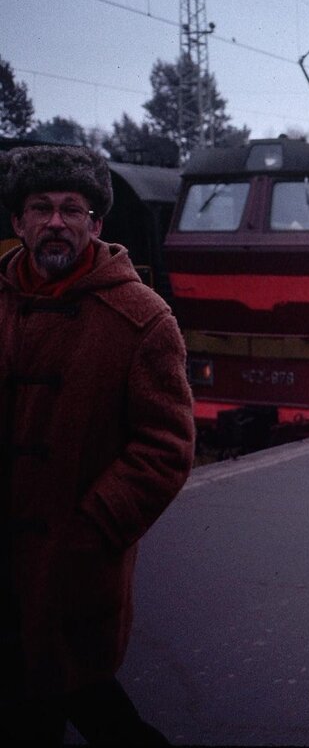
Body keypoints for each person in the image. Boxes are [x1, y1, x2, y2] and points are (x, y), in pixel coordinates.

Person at [0, 146, 194, 745]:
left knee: (81, 700)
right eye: (40, 208)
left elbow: (166, 446)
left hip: (75, 568)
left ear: (95, 224)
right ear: (18, 223)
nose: (55, 222)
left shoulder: (141, 317)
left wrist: (93, 528)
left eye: (71, 209)